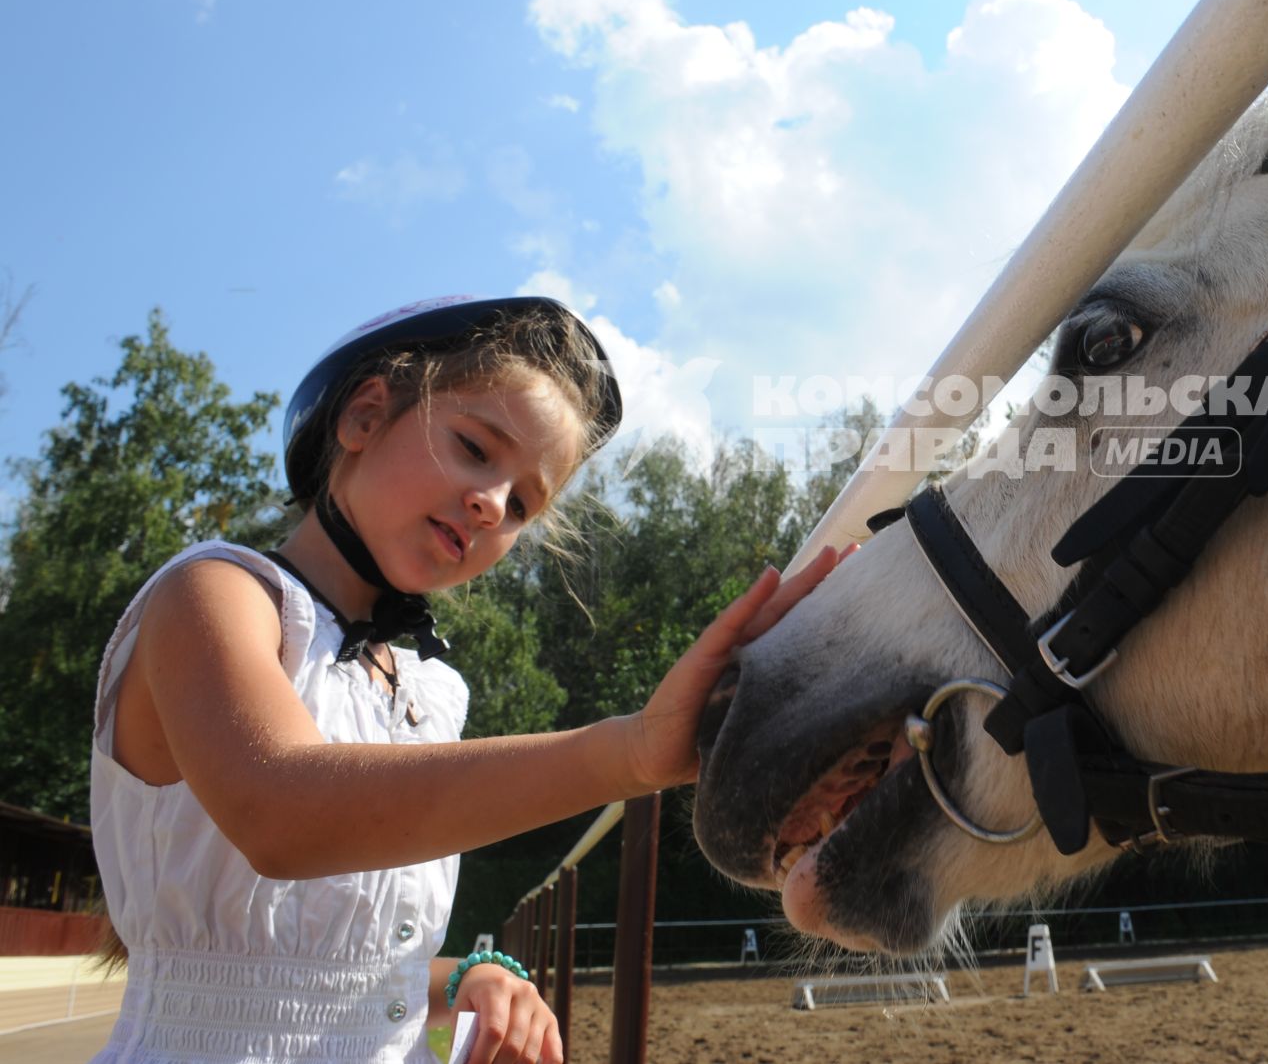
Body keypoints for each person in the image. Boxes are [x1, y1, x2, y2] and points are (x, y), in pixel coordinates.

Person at [88, 296, 841, 1064]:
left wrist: (473, 975)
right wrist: (632, 751)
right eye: (475, 447)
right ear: (364, 416)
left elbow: (340, 969)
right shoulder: (214, 593)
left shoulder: (431, 691)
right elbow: (280, 815)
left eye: (523, 502)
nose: (491, 503)